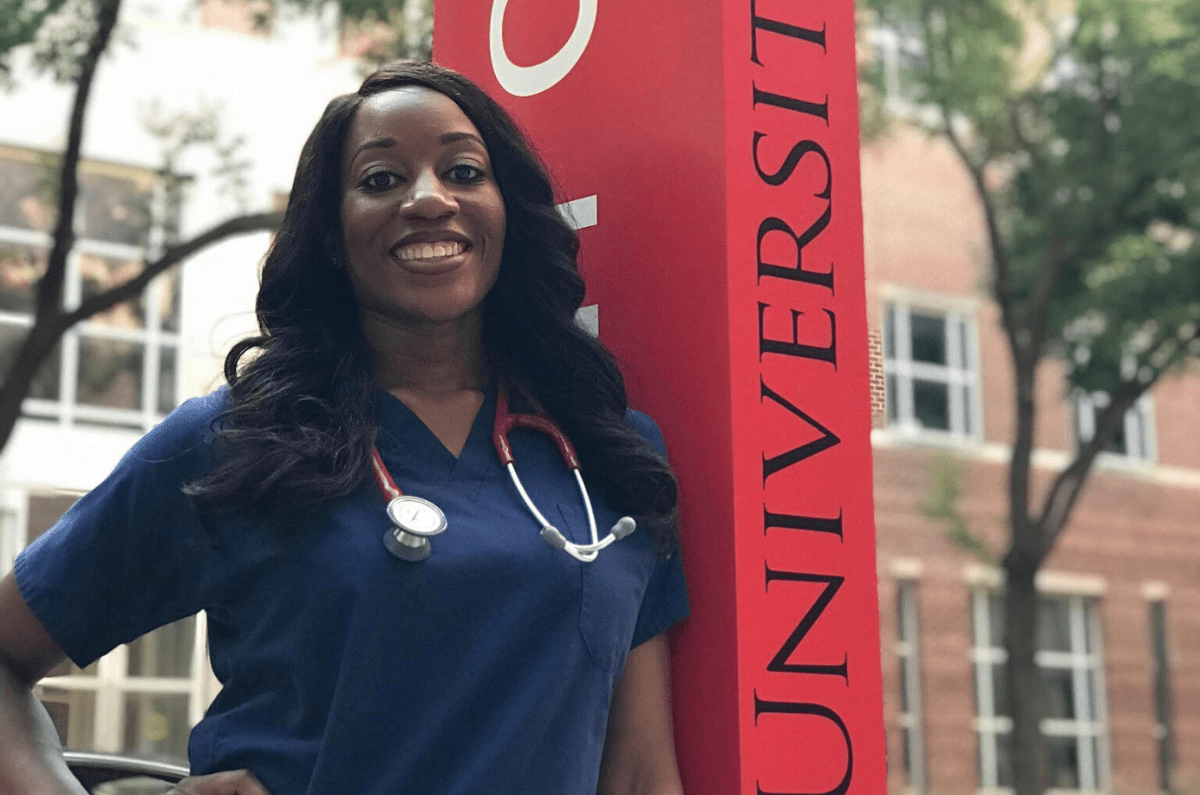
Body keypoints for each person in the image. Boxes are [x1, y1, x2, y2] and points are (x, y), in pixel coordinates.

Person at [0, 61, 688, 795]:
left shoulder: (610, 458)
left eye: (461, 169)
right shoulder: (234, 442)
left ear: (506, 210)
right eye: (381, 179)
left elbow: (642, 774)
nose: (429, 199)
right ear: (332, 234)